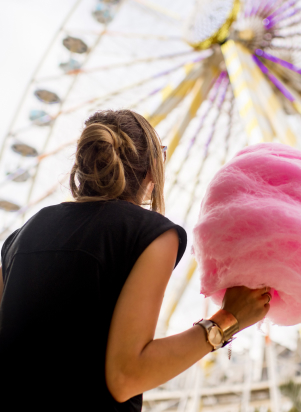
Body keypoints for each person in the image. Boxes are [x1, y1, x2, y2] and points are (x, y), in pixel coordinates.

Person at [0, 110, 270, 411]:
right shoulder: (150, 234)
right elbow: (126, 376)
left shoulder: (21, 235)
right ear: (153, 170)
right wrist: (228, 319)